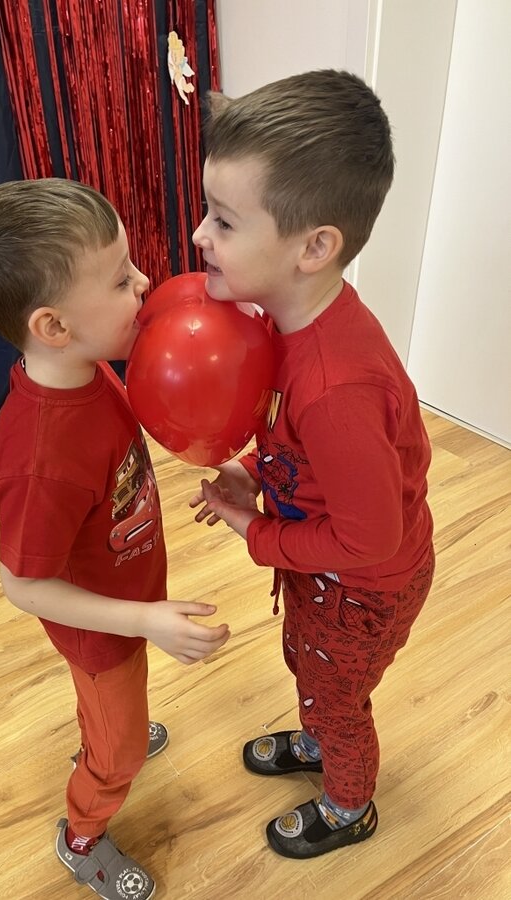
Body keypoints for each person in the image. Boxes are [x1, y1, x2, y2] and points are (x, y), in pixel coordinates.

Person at [0, 178, 230, 900]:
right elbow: (21, 584)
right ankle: (82, 834)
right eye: (118, 278)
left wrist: (220, 459)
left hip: (126, 595)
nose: (143, 282)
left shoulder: (89, 368)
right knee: (119, 752)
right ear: (54, 326)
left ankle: (110, 734)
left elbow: (138, 431)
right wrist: (144, 619)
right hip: (102, 631)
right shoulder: (40, 454)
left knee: (116, 716)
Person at [189, 70, 434, 859]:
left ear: (314, 247)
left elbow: (367, 537)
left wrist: (256, 532)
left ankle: (347, 803)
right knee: (310, 666)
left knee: (335, 694)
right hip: (328, 569)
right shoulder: (289, 327)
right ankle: (319, 736)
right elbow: (300, 447)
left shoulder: (333, 388)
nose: (198, 235)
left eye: (224, 220)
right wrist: (257, 473)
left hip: (360, 586)